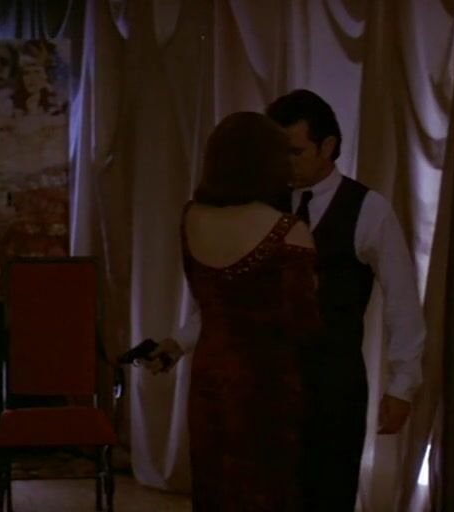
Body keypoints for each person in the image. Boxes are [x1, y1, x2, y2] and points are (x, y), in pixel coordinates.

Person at [146, 90, 426, 510]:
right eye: (278, 153)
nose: (284, 164)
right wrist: (180, 342)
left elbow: (403, 302)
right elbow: (232, 298)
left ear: (327, 147)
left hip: (332, 383)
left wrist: (403, 385)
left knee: (327, 495)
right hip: (265, 389)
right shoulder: (260, 206)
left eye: (295, 152)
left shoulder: (369, 209)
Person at [169, 111, 322, 510]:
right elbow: (303, 322)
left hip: (209, 375)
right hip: (265, 383)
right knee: (264, 491)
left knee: (214, 485)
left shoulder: (192, 217)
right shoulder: (287, 230)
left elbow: (208, 300)